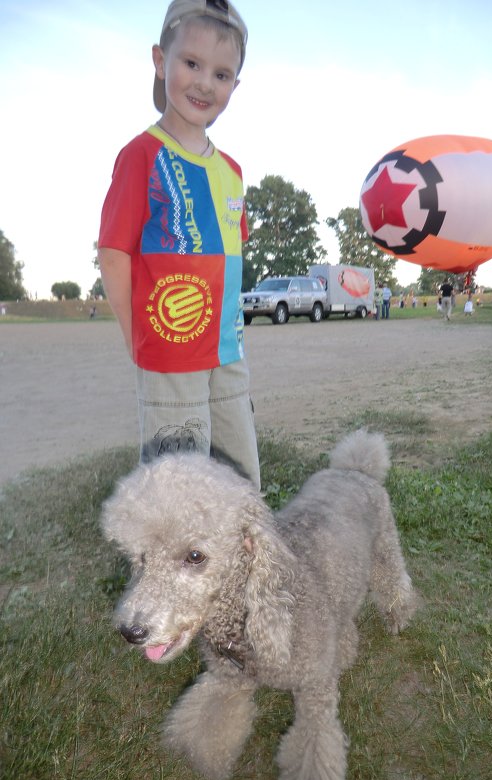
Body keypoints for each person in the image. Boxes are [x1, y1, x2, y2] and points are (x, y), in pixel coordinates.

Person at [98, 0, 260, 489]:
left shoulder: (231, 171)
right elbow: (113, 251)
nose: (205, 83)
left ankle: (243, 564)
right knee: (179, 488)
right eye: (191, 63)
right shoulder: (141, 155)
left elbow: (229, 258)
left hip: (227, 353)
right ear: (159, 60)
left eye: (222, 73)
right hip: (170, 352)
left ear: (235, 85)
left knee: (241, 478)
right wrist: (136, 336)